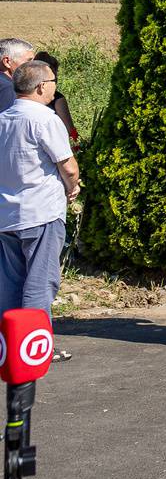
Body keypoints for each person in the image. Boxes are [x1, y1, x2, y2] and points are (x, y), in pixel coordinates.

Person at [0, 61, 80, 329]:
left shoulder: (3, 118)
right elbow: (67, 165)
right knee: (40, 281)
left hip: (6, 214)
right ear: (41, 86)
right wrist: (73, 186)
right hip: (41, 213)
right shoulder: (46, 119)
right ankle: (34, 346)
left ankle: (9, 345)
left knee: (10, 283)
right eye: (54, 83)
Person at [0, 40, 33, 114]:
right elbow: (6, 123)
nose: (33, 66)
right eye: (29, 61)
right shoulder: (8, 87)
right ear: (7, 62)